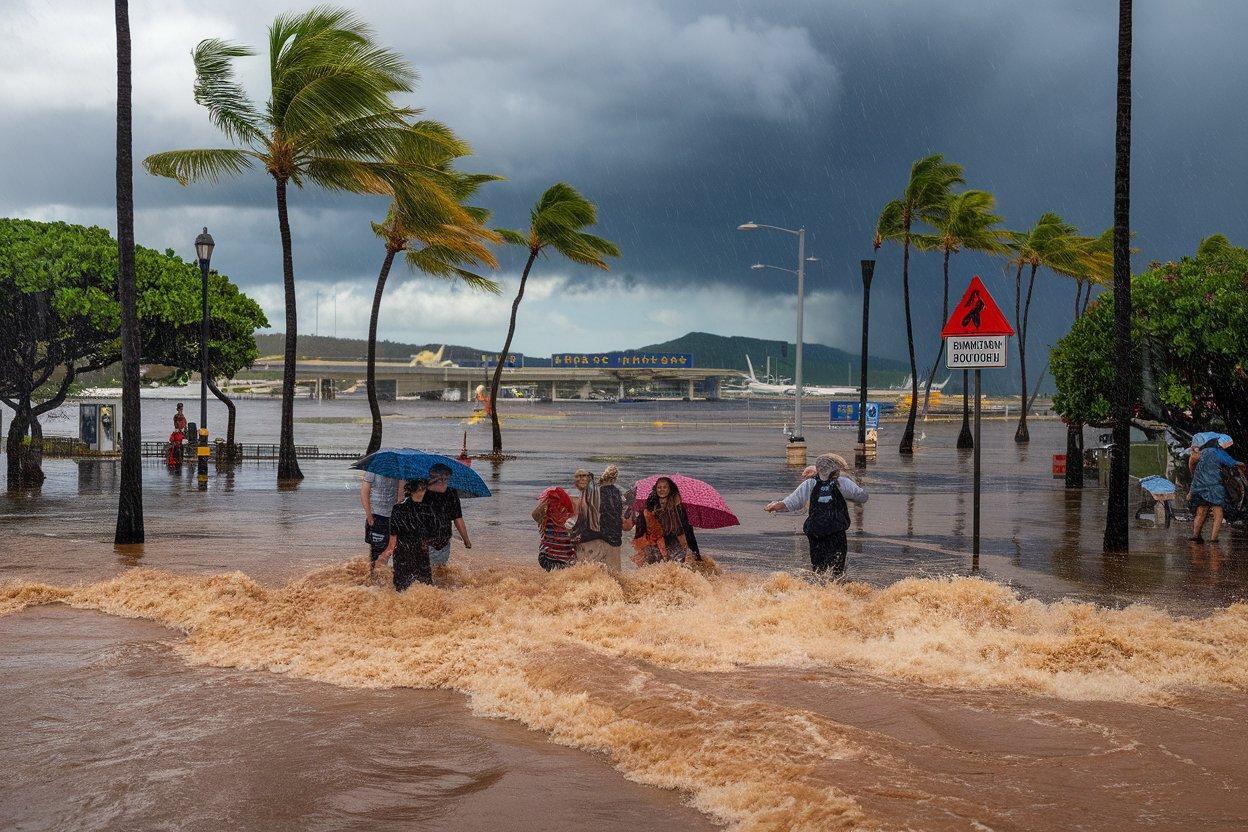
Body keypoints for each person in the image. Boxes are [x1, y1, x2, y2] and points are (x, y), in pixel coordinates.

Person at [765, 453, 868, 577]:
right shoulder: (842, 483)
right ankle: (835, 591)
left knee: (818, 570)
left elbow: (791, 503)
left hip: (815, 533)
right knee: (837, 570)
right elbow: (863, 497)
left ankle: (818, 589)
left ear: (818, 468)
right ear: (836, 468)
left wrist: (775, 506)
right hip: (836, 532)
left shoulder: (810, 484)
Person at [374, 478, 437, 590]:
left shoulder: (398, 508)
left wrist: (382, 557)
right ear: (423, 490)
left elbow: (392, 543)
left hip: (402, 555)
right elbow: (432, 536)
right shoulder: (428, 510)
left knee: (401, 589)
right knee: (425, 588)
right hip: (421, 555)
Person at [632, 476, 700, 565]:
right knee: (654, 566)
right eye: (659, 487)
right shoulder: (651, 504)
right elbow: (642, 523)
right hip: (655, 540)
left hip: (674, 539)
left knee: (676, 566)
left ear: (669, 488)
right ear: (655, 489)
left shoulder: (678, 505)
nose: (662, 490)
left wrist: (696, 553)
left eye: (665, 487)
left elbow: (687, 528)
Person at [1188, 435, 1244, 543]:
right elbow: (1233, 463)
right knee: (1218, 512)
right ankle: (1213, 539)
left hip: (1199, 486)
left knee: (1201, 511)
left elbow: (1193, 461)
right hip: (1214, 487)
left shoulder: (1203, 451)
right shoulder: (1219, 453)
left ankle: (1195, 535)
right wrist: (1242, 464)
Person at [572, 468, 621, 572]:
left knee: (586, 575)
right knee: (614, 576)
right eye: (578, 476)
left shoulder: (590, 493)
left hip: (594, 540)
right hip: (613, 540)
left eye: (583, 476)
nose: (581, 479)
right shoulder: (615, 492)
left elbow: (585, 519)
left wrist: (573, 535)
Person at [425, 463, 472, 571]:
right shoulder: (422, 492)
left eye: (447, 479)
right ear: (432, 479)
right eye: (441, 479)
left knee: (441, 571)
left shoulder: (451, 492)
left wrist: (466, 539)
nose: (444, 482)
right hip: (425, 541)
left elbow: (457, 518)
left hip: (444, 539)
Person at [360, 470, 403, 564]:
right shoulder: (373, 469)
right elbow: (364, 492)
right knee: (376, 551)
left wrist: (401, 515)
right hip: (377, 515)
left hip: (393, 516)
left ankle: (383, 575)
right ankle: (374, 576)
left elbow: (401, 494)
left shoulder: (399, 470)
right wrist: (369, 514)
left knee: (392, 550)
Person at [532, 486, 578, 570]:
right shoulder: (545, 518)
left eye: (556, 501)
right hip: (549, 558)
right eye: (551, 500)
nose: (554, 504)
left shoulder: (568, 521)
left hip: (552, 559)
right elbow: (535, 515)